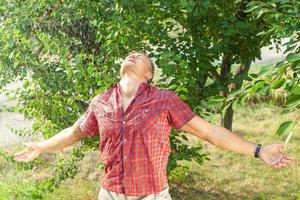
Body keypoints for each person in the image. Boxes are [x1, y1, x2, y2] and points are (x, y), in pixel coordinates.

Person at [14, 51, 294, 200]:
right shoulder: (100, 102)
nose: (133, 54)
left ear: (148, 74)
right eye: (130, 54)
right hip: (109, 194)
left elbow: (209, 132)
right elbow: (74, 132)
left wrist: (259, 150)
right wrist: (41, 145)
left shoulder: (163, 100)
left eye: (141, 56)